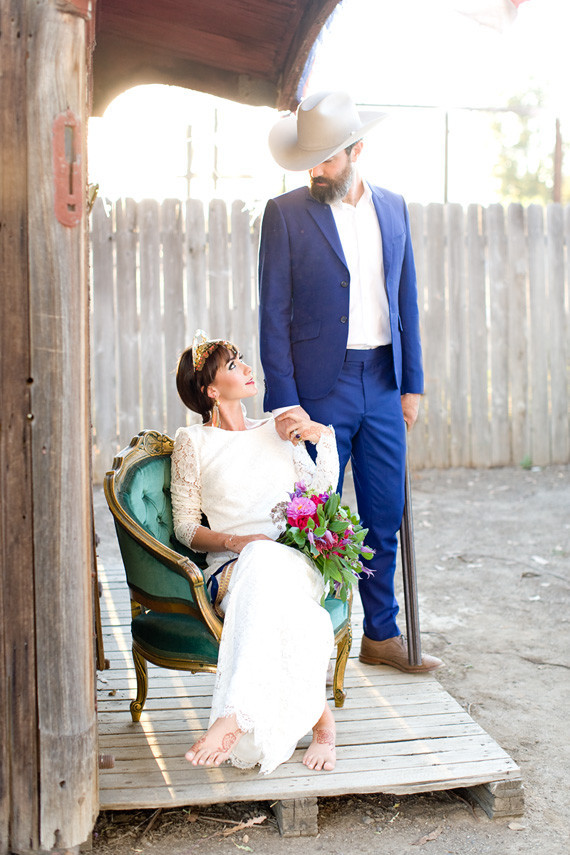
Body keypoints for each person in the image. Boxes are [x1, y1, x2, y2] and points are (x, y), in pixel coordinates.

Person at [258, 91, 442, 673]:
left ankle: (381, 637)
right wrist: (284, 401)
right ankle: (311, 644)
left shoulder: (394, 207)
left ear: (356, 150)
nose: (315, 170)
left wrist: (412, 383)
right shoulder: (285, 213)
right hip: (318, 390)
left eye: (326, 159)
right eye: (308, 160)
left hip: (383, 383)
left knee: (384, 513)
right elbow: (273, 315)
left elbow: (406, 297)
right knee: (317, 520)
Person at [170, 330, 340, 775]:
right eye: (233, 366)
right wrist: (235, 542)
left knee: (271, 563)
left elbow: (320, 494)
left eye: (243, 360)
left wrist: (317, 436)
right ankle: (323, 724)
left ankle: (234, 716)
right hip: (233, 567)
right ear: (210, 389)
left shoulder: (277, 429)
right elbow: (186, 527)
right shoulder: (193, 442)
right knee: (264, 571)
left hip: (294, 560)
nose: (248, 369)